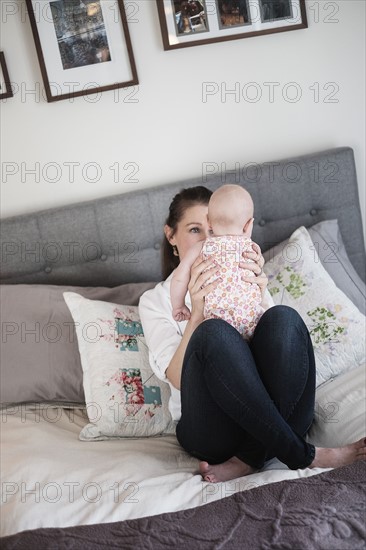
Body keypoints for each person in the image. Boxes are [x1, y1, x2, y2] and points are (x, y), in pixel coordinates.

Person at [139, 185, 366, 483]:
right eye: (196, 230)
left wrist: (257, 290)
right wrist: (195, 313)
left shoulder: (245, 266)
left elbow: (284, 350)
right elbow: (179, 380)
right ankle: (303, 455)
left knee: (283, 317)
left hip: (281, 413)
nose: (210, 239)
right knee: (213, 333)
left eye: (216, 226)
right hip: (212, 432)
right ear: (171, 236)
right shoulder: (155, 301)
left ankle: (249, 458)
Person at [170, 184, 264, 342]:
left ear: (208, 222)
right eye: (194, 229)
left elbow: (179, 277)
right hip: (251, 321)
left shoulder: (201, 248)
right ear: (249, 225)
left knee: (283, 317)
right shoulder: (252, 248)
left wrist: (178, 305)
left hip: (215, 323)